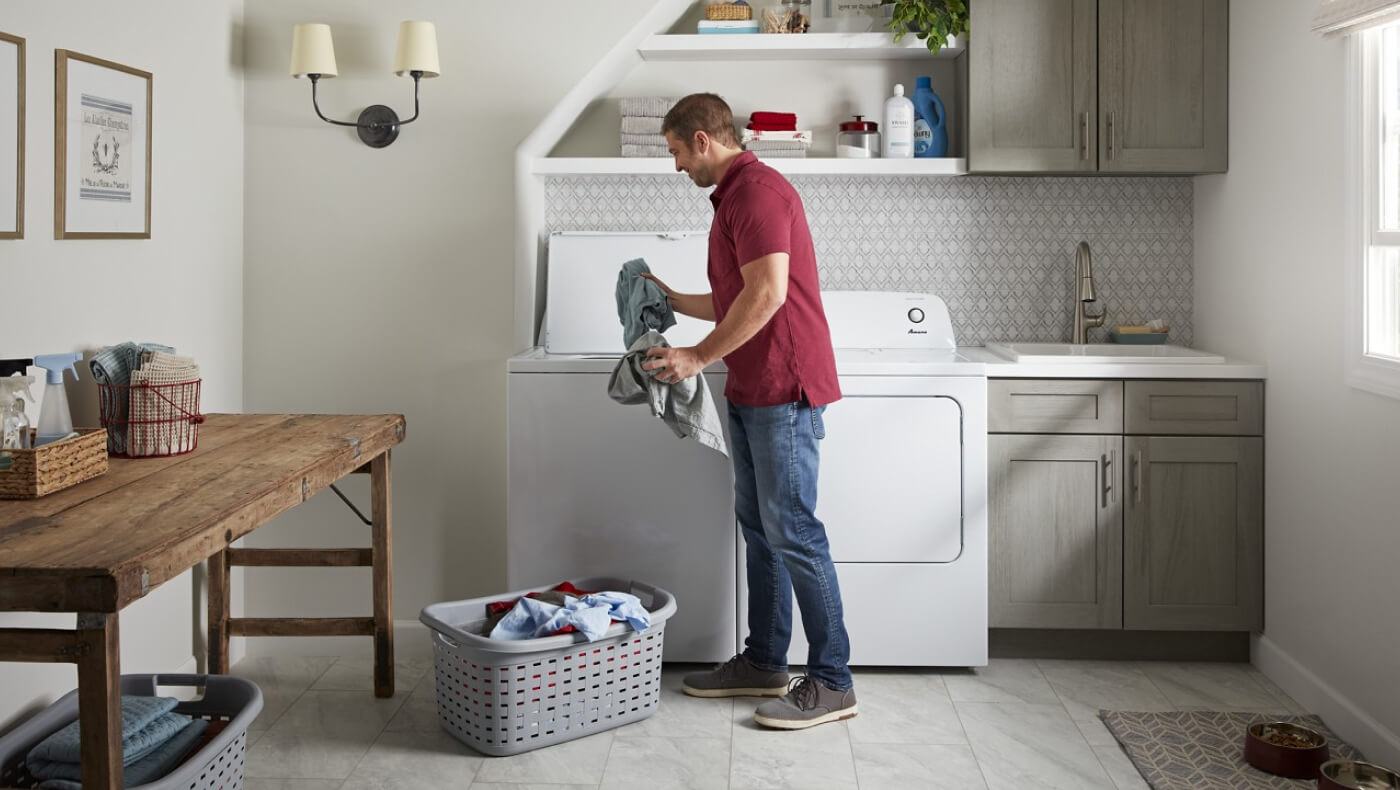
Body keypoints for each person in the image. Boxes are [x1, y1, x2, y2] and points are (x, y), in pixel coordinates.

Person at [640, 93, 856, 730]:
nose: (677, 165)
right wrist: (672, 299)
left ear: (703, 140)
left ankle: (834, 681)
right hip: (752, 387)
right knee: (761, 529)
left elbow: (767, 295)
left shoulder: (758, 193)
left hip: (784, 387)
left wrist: (696, 357)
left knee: (794, 531)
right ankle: (765, 661)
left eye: (677, 151)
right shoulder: (732, 198)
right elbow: (736, 297)